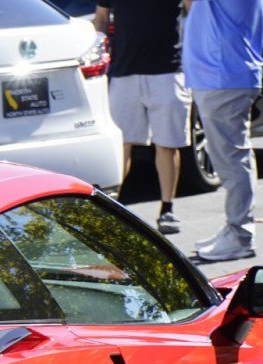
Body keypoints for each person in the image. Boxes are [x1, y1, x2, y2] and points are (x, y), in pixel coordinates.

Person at [94, 0, 191, 234]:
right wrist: (99, 54)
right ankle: (116, 208)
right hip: (124, 71)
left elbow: (195, 13)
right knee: (121, 144)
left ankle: (167, 208)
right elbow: (101, 19)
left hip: (168, 70)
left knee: (167, 144)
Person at [181, 0, 263, 261]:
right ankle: (236, 230)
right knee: (233, 158)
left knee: (231, 160)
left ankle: (240, 235)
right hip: (222, 76)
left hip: (222, 77)